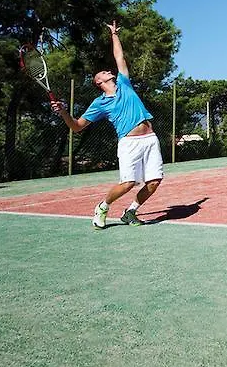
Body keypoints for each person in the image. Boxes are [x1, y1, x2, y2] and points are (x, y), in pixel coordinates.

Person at [52, 20, 163, 229]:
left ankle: (130, 212)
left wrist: (114, 35)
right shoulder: (99, 103)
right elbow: (77, 126)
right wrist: (64, 112)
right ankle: (103, 206)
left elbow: (119, 57)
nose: (106, 71)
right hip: (129, 143)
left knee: (155, 181)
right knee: (128, 184)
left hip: (150, 138)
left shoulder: (124, 83)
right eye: (101, 73)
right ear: (98, 82)